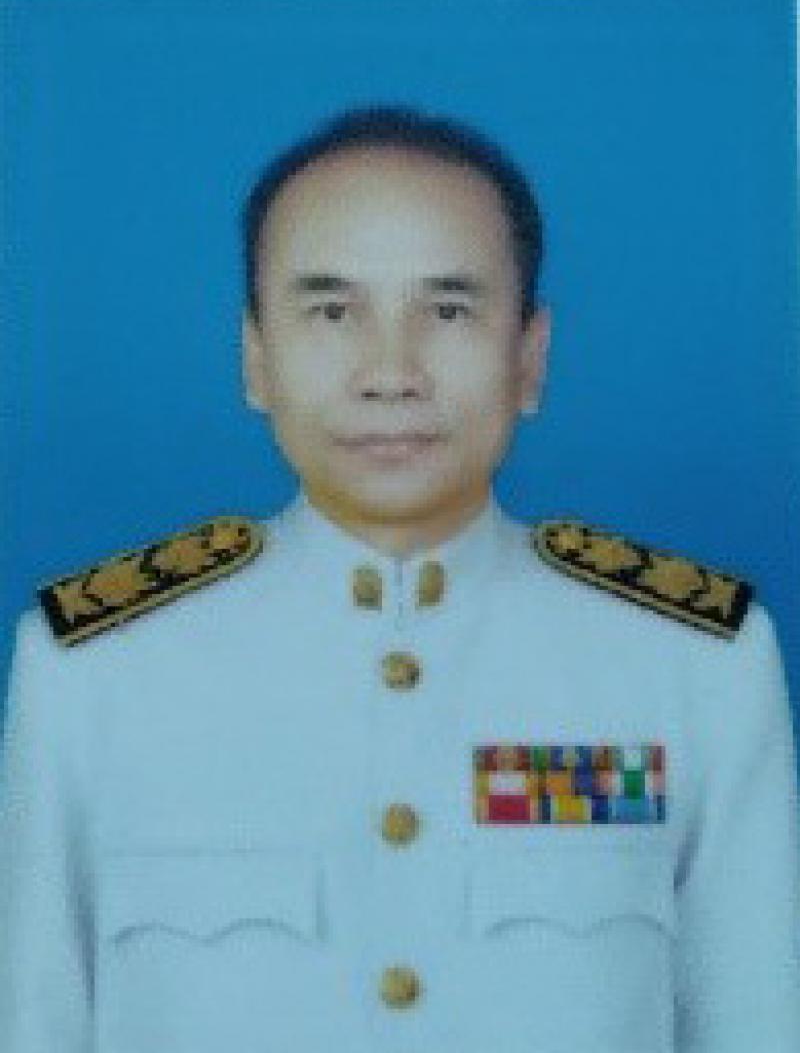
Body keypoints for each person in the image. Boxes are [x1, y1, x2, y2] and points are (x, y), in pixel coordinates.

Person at [1, 104, 798, 1053]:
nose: (392, 373)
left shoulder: (691, 665)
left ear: (530, 357)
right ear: (255, 357)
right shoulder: (95, 670)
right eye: (333, 312)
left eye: (449, 311)